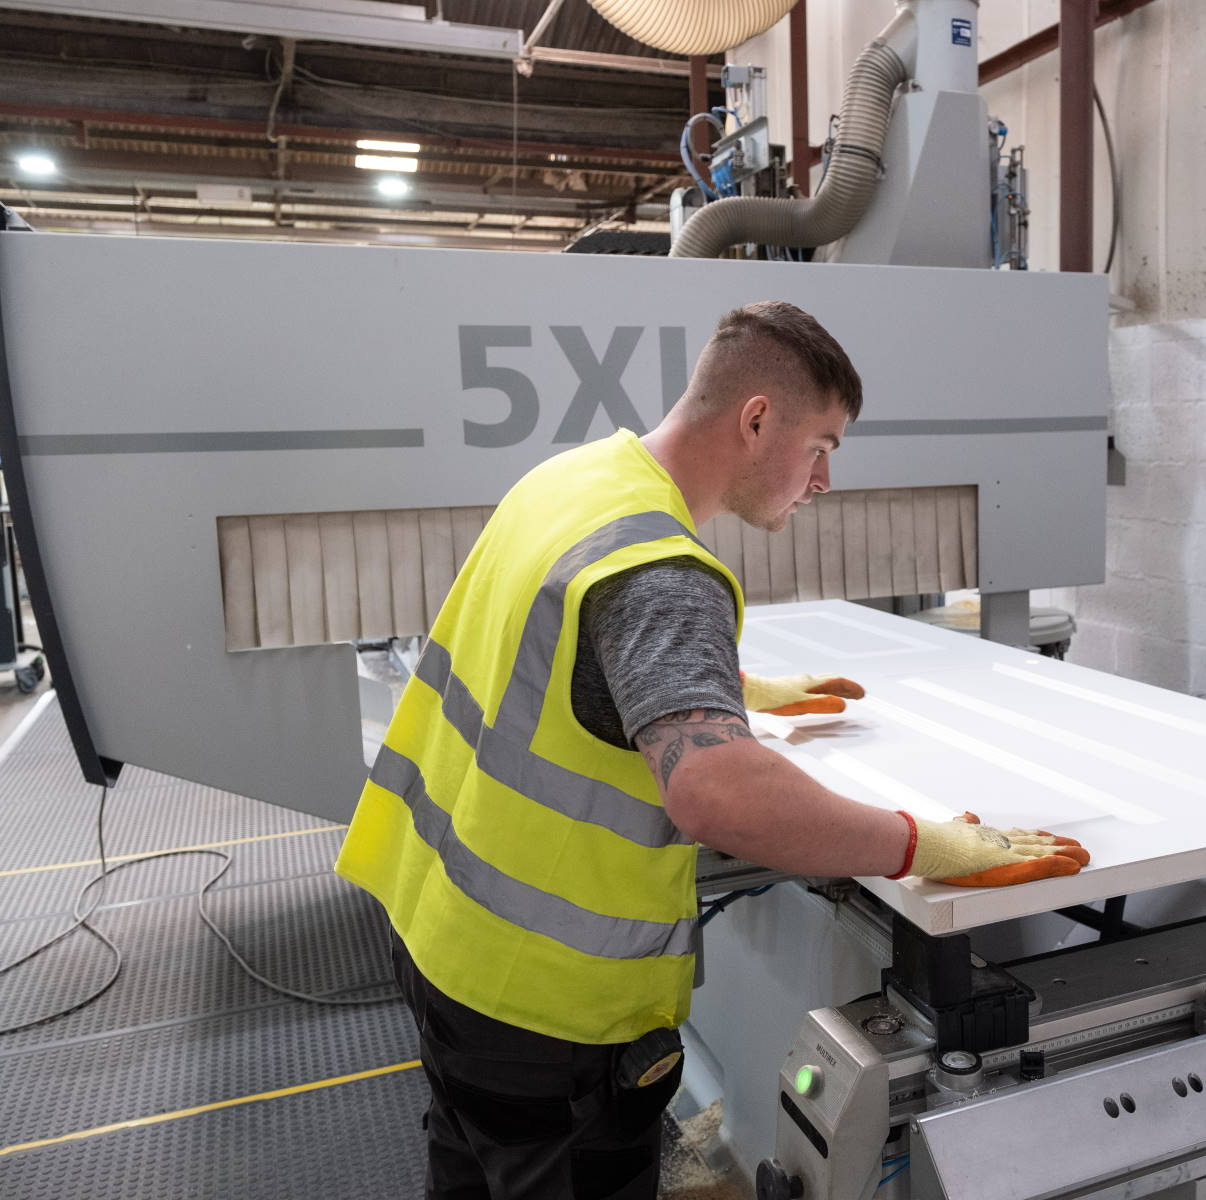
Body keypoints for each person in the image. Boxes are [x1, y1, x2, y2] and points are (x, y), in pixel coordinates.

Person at [334, 300, 1088, 1200]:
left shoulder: (573, 482)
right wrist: (934, 845)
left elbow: (546, 657)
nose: (822, 483)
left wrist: (719, 689)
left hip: (442, 946)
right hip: (548, 1016)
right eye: (822, 447)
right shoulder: (662, 570)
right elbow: (717, 795)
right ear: (757, 418)